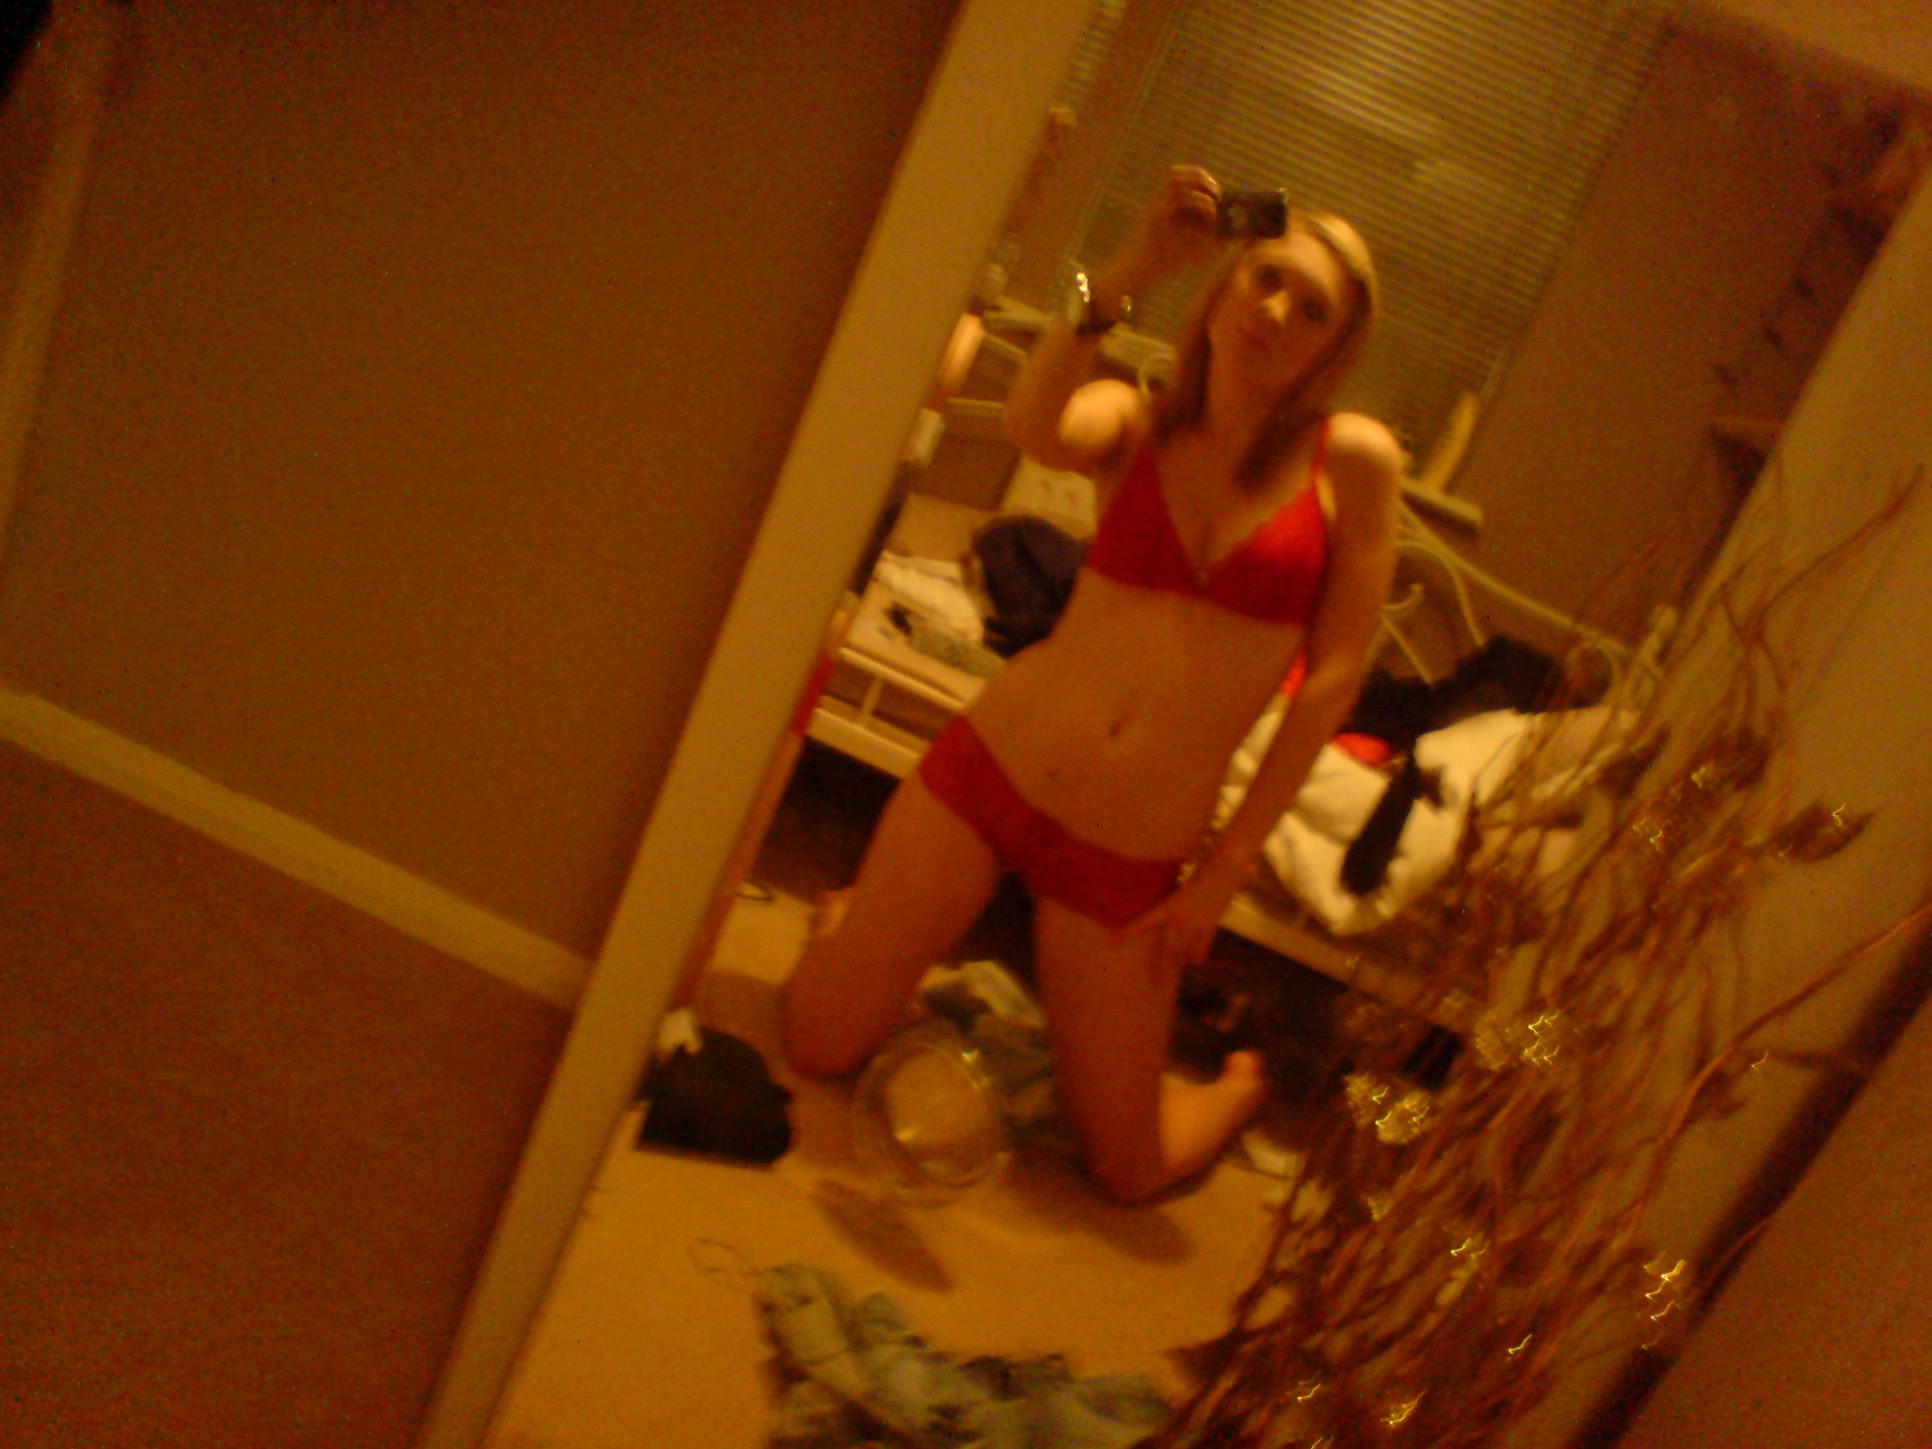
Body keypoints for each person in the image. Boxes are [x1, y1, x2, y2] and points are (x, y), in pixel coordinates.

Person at [780, 166, 1403, 1203]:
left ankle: (1239, 1086)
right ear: (1225, 287)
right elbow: (1031, 426)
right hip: (994, 772)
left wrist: (1224, 870)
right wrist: (1130, 270)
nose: (1276, 313)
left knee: (1129, 1170)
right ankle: (855, 924)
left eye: (1312, 310)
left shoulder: (1354, 464)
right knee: (815, 1043)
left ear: (1332, 351)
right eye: (1266, 280)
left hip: (1129, 852)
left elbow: (1335, 677)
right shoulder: (1136, 419)